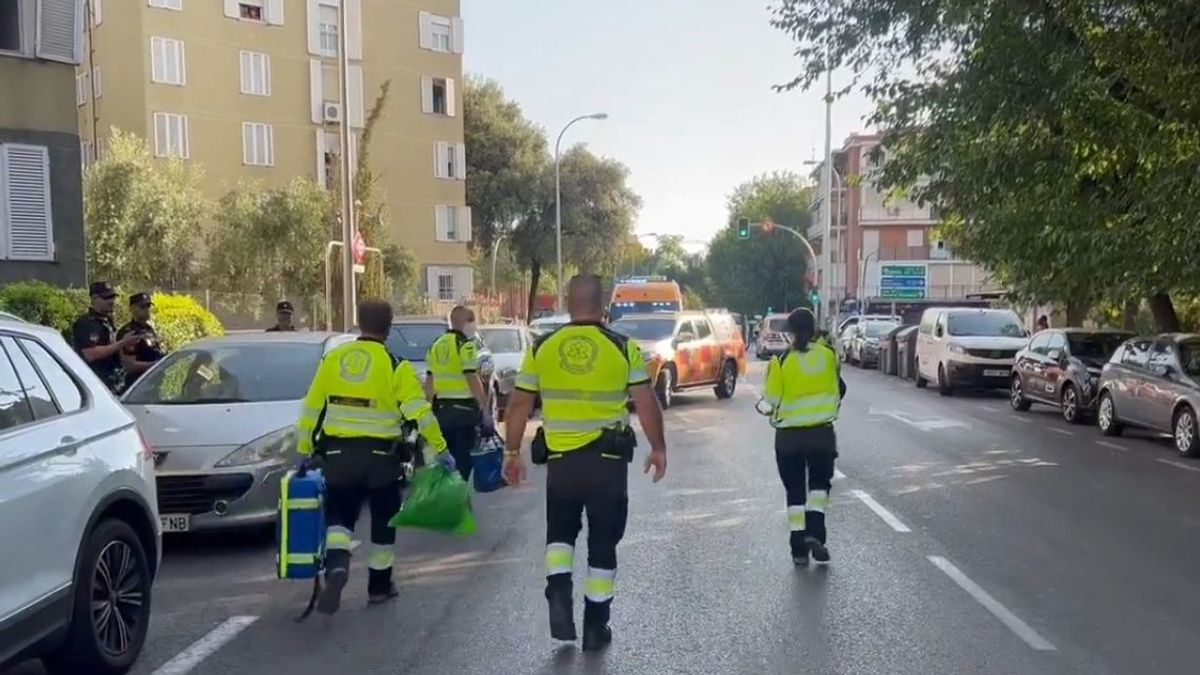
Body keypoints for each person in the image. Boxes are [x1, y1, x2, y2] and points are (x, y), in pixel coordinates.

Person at [503, 274, 669, 652]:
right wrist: (658, 447)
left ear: (567, 302)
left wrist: (512, 453)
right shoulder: (621, 347)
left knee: (560, 535)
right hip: (607, 464)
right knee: (603, 544)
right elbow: (645, 402)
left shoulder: (542, 347)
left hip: (561, 464)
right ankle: (596, 625)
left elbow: (518, 405)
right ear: (604, 306)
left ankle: (559, 587)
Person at [296, 299, 451, 614]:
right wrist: (441, 448)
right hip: (382, 458)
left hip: (338, 455)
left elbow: (311, 408)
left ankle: (337, 566)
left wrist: (305, 451)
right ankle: (379, 587)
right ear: (389, 327)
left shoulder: (333, 359)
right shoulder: (395, 365)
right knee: (383, 522)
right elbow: (419, 412)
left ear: (359, 324)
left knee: (340, 516)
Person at [761, 307, 846, 567]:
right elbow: (839, 386)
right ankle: (815, 534)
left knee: (795, 491)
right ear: (814, 328)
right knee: (819, 486)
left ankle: (798, 549)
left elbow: (771, 400)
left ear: (790, 333)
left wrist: (766, 408)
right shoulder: (829, 355)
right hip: (821, 434)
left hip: (789, 439)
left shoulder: (781, 361)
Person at [425, 306, 493, 482]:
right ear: (464, 323)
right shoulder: (465, 345)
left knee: (448, 459)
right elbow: (471, 377)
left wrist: (428, 408)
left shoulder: (436, 345)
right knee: (464, 461)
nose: (474, 325)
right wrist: (484, 406)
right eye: (472, 321)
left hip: (442, 411)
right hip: (464, 412)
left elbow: (430, 380)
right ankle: (459, 497)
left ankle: (448, 494)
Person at [71, 281, 138, 393]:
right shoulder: (86, 323)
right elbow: (90, 354)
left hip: (112, 382)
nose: (111, 301)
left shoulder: (107, 320)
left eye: (113, 297)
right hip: (95, 382)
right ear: (94, 299)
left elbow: (112, 346)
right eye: (107, 298)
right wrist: (122, 343)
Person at [116, 292, 164, 390]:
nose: (146, 310)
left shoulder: (148, 329)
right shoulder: (129, 332)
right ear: (132, 309)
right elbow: (129, 365)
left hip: (153, 382)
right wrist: (157, 365)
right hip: (137, 384)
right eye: (142, 307)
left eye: (148, 307)